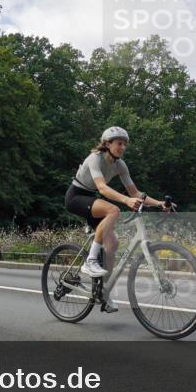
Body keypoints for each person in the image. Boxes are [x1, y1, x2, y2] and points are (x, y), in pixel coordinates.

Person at [64, 126, 173, 312]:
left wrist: (159, 203)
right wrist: (126, 200)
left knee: (113, 244)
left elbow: (135, 193)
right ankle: (90, 261)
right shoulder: (95, 159)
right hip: (76, 197)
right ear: (107, 144)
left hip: (92, 199)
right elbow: (103, 189)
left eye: (125, 144)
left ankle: (104, 293)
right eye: (119, 143)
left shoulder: (120, 165)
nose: (122, 147)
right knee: (113, 210)